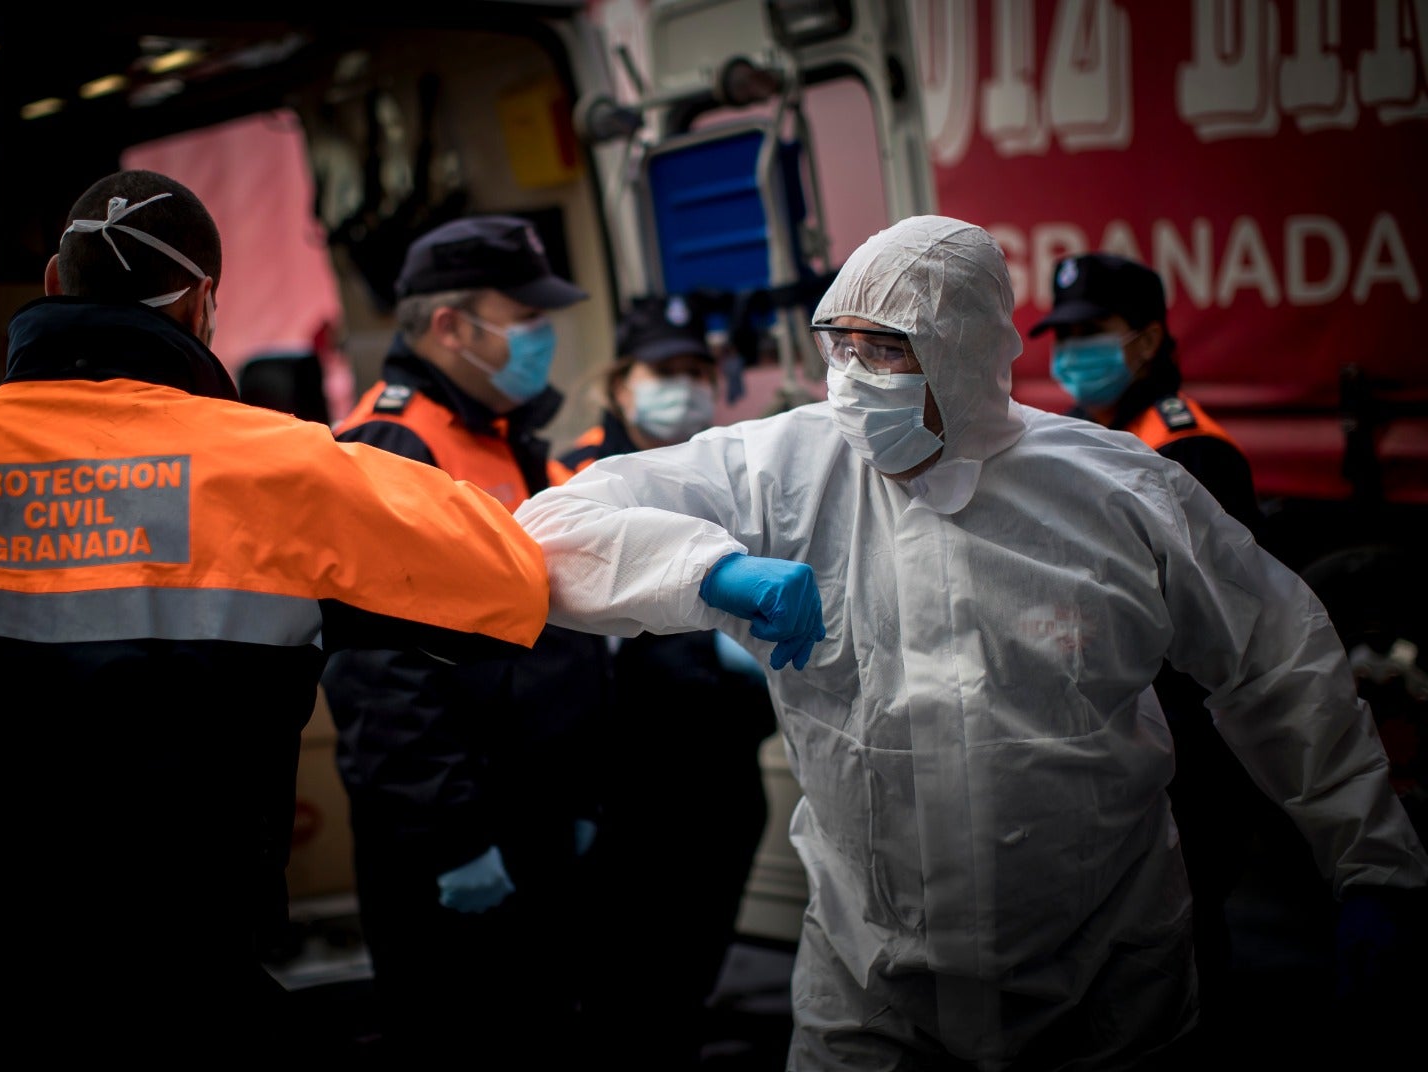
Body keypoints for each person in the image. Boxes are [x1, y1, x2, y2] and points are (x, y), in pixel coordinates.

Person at [513, 215, 1428, 1070]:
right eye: (846, 347)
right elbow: (550, 526)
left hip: (1103, 985)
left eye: (888, 351)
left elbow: (1276, 659)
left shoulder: (1117, 493)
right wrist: (706, 567)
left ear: (964, 354)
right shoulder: (782, 467)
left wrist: (1372, 861)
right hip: (870, 991)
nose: (856, 379)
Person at [0, 170, 550, 1064]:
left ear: (55, 281)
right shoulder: (287, 469)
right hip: (188, 973)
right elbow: (507, 579)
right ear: (202, 302)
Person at [321, 214, 612, 1072]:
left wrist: (577, 797)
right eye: (523, 316)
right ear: (450, 326)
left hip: (534, 813)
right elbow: (377, 673)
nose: (541, 337)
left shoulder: (501, 430)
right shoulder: (389, 447)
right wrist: (451, 839)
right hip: (459, 831)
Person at [1028, 251, 1290, 1041]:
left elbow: (1219, 627)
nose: (1070, 350)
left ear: (1145, 340)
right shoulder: (1100, 437)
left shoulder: (1187, 450)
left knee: (1184, 945)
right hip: (1126, 737)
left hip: (1185, 746)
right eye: (1060, 333)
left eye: (1091, 331)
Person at [561, 294, 778, 1071]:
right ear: (622, 383)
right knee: (623, 996)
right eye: (663, 371)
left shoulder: (726, 475)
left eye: (695, 371)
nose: (681, 388)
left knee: (686, 984)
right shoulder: (576, 481)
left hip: (721, 775)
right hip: (625, 790)